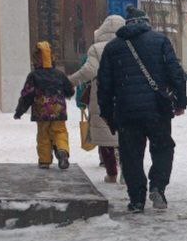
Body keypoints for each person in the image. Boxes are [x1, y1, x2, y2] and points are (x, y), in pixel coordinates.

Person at [97, 6, 187, 213]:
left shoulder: (113, 48)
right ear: (146, 23)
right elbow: (176, 73)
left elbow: (104, 85)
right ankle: (157, 187)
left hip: (127, 112)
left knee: (131, 156)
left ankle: (137, 199)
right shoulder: (161, 41)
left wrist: (107, 114)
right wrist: (180, 102)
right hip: (157, 110)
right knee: (163, 148)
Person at [69, 14, 125, 183]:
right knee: (126, 137)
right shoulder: (128, 45)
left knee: (105, 137)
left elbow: (89, 71)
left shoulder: (96, 48)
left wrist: (70, 81)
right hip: (125, 95)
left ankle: (112, 173)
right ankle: (127, 172)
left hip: (102, 95)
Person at [14, 41, 75, 170]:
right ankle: (62, 151)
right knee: (60, 132)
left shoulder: (34, 76)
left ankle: (44, 160)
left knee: (43, 136)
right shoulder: (59, 74)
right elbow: (70, 90)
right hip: (58, 111)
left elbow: (27, 95)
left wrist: (20, 110)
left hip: (42, 111)